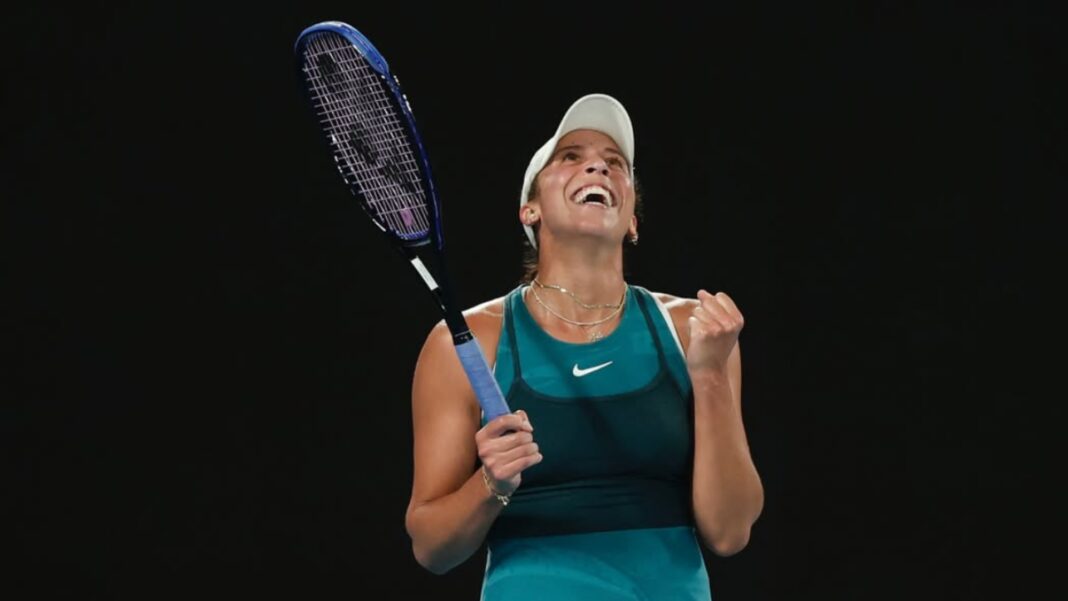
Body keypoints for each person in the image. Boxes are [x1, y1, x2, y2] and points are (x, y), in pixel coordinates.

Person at [404, 93, 764, 600]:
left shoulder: (694, 330)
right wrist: (490, 485)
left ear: (632, 219)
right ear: (529, 209)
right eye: (570, 157)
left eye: (616, 163)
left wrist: (709, 376)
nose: (598, 166)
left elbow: (730, 532)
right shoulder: (470, 342)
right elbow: (431, 547)